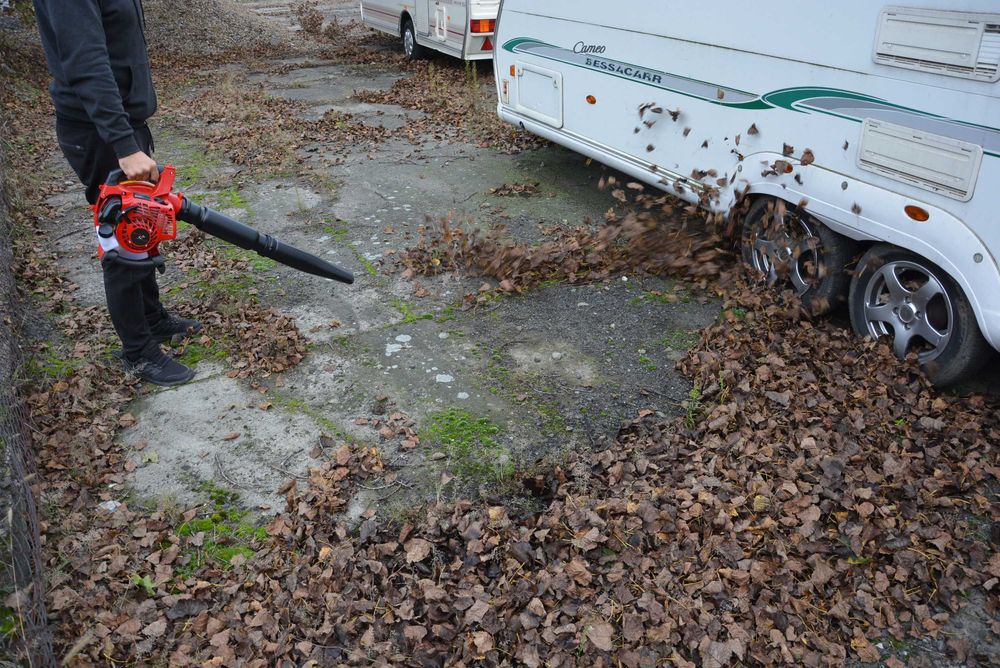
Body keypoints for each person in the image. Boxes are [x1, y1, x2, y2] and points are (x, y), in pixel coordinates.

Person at [33, 0, 199, 386]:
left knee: (142, 230)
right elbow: (85, 62)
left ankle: (153, 320)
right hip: (100, 133)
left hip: (122, 125)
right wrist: (124, 144)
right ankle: (138, 353)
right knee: (122, 242)